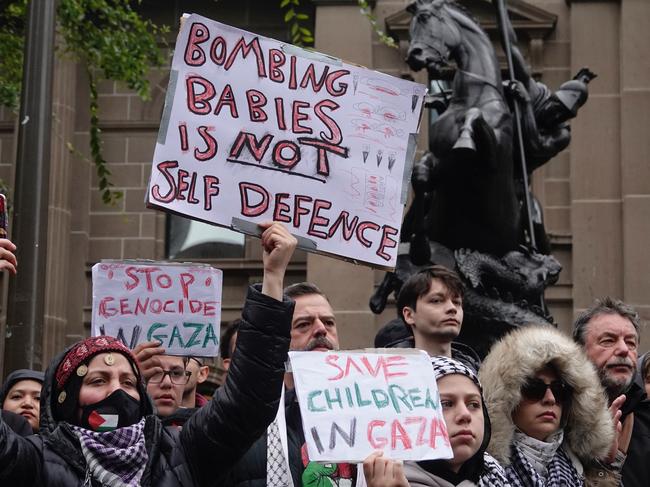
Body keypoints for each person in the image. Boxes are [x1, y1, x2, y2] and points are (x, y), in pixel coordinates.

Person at [0, 221, 297, 486]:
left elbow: (246, 402)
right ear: (66, 399)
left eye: (128, 382)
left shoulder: (177, 456)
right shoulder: (36, 463)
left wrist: (273, 278)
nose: (116, 390)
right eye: (98, 381)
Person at [226, 282, 356, 486]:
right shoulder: (252, 425)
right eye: (304, 324)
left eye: (329, 322)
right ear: (279, 340)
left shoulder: (371, 417)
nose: (321, 329)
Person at [480, 325, 619, 486]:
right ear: (506, 400)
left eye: (558, 390)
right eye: (534, 389)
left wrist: (603, 470)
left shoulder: (579, 470)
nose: (550, 398)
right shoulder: (482, 472)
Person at [365, 356, 508, 487]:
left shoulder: (495, 476)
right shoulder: (381, 480)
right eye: (445, 404)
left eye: (474, 405)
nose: (465, 414)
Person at [573, 297, 648, 487]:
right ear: (579, 352)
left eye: (631, 343)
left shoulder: (645, 420)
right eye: (608, 341)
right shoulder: (553, 414)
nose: (624, 350)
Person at [396, 266, 479, 371]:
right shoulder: (383, 377)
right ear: (409, 315)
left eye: (457, 302)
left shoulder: (481, 376)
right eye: (436, 301)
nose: (452, 308)